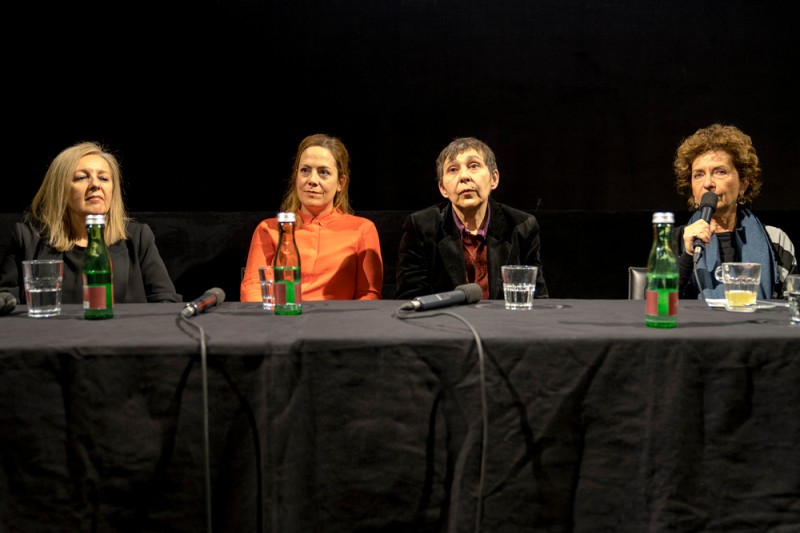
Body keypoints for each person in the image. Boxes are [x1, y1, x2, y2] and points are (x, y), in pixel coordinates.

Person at [0, 141, 181, 304]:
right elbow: (6, 299)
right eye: (81, 177)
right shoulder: (28, 239)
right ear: (60, 189)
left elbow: (166, 303)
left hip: (125, 338)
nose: (96, 185)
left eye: (103, 178)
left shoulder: (138, 238)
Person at [395, 136, 548, 301]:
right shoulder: (421, 227)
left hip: (505, 324)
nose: (464, 176)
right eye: (453, 169)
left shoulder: (522, 226)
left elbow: (536, 298)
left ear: (494, 179)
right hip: (444, 323)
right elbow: (410, 299)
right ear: (443, 188)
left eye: (473, 166)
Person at [240, 133, 383, 301]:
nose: (312, 180)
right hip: (282, 322)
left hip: (339, 324)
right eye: (305, 170)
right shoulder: (269, 229)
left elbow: (368, 295)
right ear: (296, 178)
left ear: (341, 183)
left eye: (323, 172)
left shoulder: (362, 229)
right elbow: (253, 289)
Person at [673, 123, 797, 299]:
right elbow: (656, 304)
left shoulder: (776, 241)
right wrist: (688, 255)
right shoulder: (677, 240)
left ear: (742, 186)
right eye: (698, 174)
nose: (707, 183)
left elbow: (793, 306)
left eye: (720, 172)